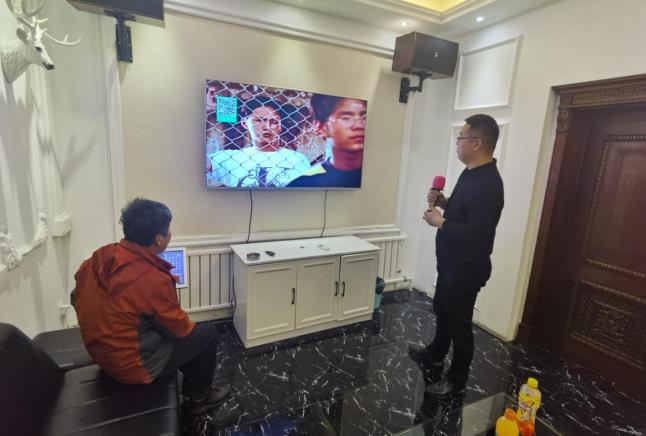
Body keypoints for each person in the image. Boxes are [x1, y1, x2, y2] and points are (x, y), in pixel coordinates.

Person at [73, 198, 231, 415]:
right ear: (158, 239)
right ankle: (200, 397)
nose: (170, 234)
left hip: (101, 354)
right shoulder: (151, 278)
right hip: (131, 367)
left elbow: (75, 297)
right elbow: (180, 330)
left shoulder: (98, 258)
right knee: (206, 334)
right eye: (168, 230)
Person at [409, 114, 504, 397]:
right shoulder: (471, 172)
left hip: (466, 268)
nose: (457, 142)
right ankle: (435, 355)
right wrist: (444, 202)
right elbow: (464, 211)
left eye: (460, 137)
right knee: (443, 309)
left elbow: (477, 234)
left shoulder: (489, 184)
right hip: (450, 262)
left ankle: (456, 381)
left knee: (460, 324)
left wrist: (440, 222)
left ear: (476, 143)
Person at [207, 97, 311, 188]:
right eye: (260, 120)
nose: (267, 127)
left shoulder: (297, 159)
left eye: (274, 122)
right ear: (245, 123)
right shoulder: (231, 158)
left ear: (280, 127)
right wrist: (207, 109)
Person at [287, 95, 366, 188]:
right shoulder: (304, 183)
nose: (359, 125)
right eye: (346, 118)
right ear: (321, 127)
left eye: (364, 117)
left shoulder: (377, 176)